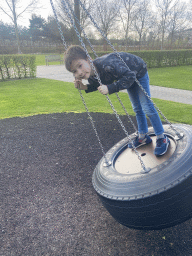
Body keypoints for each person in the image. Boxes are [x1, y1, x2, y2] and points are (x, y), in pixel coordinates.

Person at [64, 45, 170, 156]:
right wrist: (84, 87)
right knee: (137, 108)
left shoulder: (107, 64)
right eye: (75, 71)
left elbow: (130, 76)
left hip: (138, 71)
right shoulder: (90, 73)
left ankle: (162, 137)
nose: (79, 72)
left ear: (88, 59)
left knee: (146, 106)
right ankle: (143, 136)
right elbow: (97, 84)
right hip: (127, 77)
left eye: (80, 66)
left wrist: (110, 88)